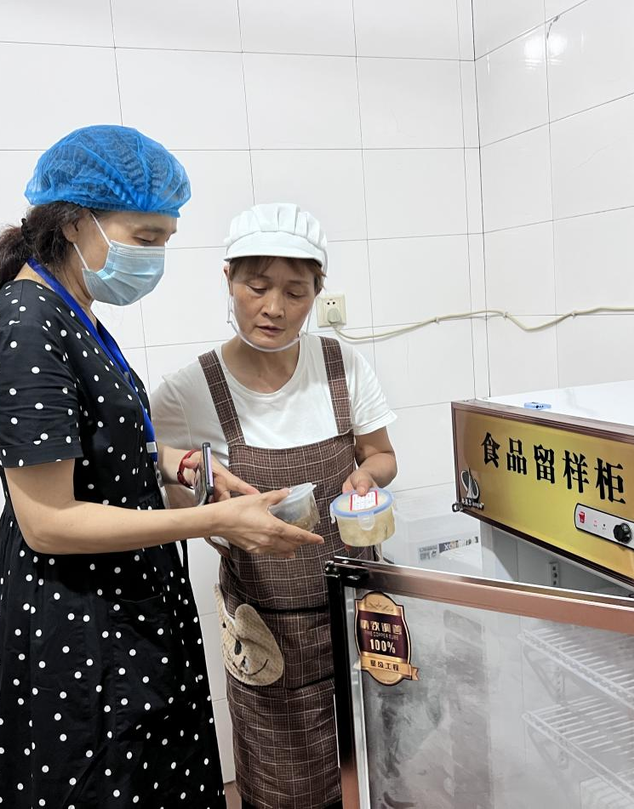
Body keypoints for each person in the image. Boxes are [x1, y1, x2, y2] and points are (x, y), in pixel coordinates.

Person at [0, 128, 323, 809]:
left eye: (164, 240)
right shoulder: (29, 319)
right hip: (83, 624)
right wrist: (215, 520)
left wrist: (178, 461)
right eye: (145, 238)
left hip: (125, 603)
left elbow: (88, 441)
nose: (154, 258)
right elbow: (47, 520)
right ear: (75, 221)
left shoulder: (71, 307)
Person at [152, 203, 399, 809]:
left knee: (379, 767)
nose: (274, 308)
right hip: (267, 627)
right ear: (229, 280)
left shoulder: (340, 366)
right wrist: (201, 492)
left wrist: (365, 476)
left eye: (295, 291)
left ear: (317, 291)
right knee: (283, 781)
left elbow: (382, 455)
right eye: (257, 286)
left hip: (357, 608)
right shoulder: (188, 391)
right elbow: (165, 491)